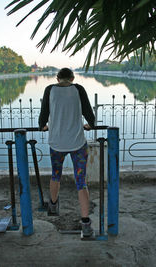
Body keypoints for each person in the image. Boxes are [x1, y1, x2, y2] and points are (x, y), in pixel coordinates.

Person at [38, 68, 95, 237]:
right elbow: (88, 113)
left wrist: (43, 126)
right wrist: (89, 125)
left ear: (57, 78)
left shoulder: (50, 90)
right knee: (80, 181)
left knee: (56, 175)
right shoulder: (78, 89)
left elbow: (44, 114)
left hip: (56, 144)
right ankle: (85, 223)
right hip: (77, 143)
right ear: (72, 78)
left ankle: (53, 205)